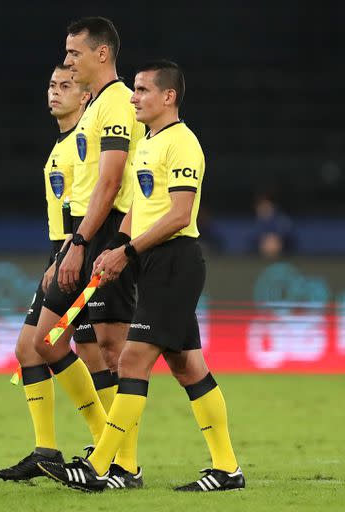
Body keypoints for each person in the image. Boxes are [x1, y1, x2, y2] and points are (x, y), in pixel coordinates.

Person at [37, 60, 245, 492]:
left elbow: (180, 214)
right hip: (150, 262)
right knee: (188, 367)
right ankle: (227, 470)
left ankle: (101, 466)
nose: (134, 97)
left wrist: (128, 250)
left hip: (174, 262)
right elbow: (139, 207)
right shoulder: (149, 142)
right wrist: (114, 249)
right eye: (133, 90)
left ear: (168, 97)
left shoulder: (182, 143)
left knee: (132, 360)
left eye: (143, 90)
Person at [29, 17, 146, 489]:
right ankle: (104, 447)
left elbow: (112, 180)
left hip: (108, 236)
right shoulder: (96, 105)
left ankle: (124, 466)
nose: (68, 61)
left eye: (74, 53)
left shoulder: (117, 102)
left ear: (101, 54)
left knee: (114, 351)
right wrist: (66, 247)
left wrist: (80, 243)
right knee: (49, 340)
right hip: (82, 235)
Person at [0, 64, 117, 481]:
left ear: (86, 96)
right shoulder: (62, 144)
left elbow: (91, 198)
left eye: (65, 85)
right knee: (32, 349)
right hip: (63, 252)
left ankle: (108, 444)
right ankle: (47, 449)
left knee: (53, 346)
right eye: (50, 85)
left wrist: (72, 250)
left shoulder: (82, 139)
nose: (54, 92)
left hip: (76, 252)